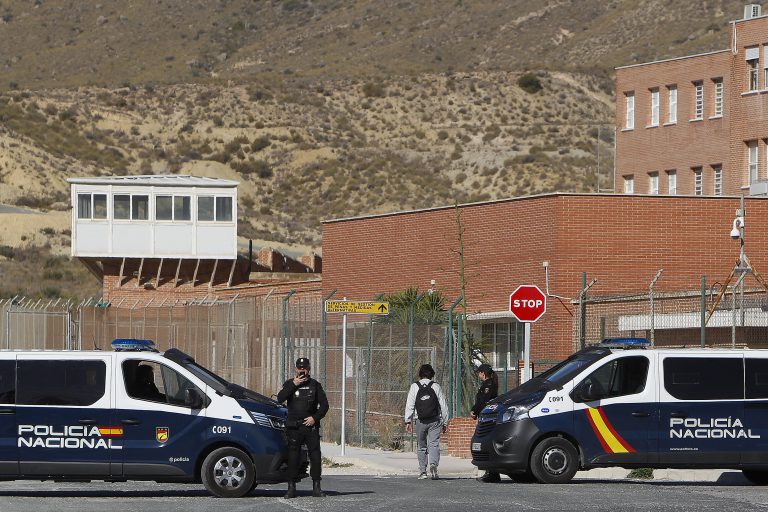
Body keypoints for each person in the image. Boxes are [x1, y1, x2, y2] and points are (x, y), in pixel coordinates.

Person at [277, 357, 329, 499]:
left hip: (310, 427)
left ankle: (317, 487)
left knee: (315, 456)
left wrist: (315, 418)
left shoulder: (315, 385)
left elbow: (324, 405)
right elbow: (280, 398)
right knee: (293, 456)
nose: (302, 370)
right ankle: (291, 487)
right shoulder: (290, 384)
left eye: (304, 368)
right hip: (294, 427)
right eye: (300, 368)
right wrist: (293, 384)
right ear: (296, 369)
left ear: (309, 369)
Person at [404, 363, 449, 480]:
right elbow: (443, 405)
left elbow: (410, 404)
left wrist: (408, 421)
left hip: (420, 420)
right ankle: (433, 464)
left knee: (421, 446)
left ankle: (423, 472)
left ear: (420, 374)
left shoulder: (414, 386)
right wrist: (445, 422)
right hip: (435, 420)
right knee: (434, 444)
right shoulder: (436, 386)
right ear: (431, 374)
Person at [470, 363, 501, 483]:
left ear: (483, 373)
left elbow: (484, 401)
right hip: (485, 417)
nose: (478, 374)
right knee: (485, 443)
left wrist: (474, 410)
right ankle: (490, 472)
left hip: (487, 418)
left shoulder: (489, 385)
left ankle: (493, 473)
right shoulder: (487, 384)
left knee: (487, 442)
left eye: (479, 372)